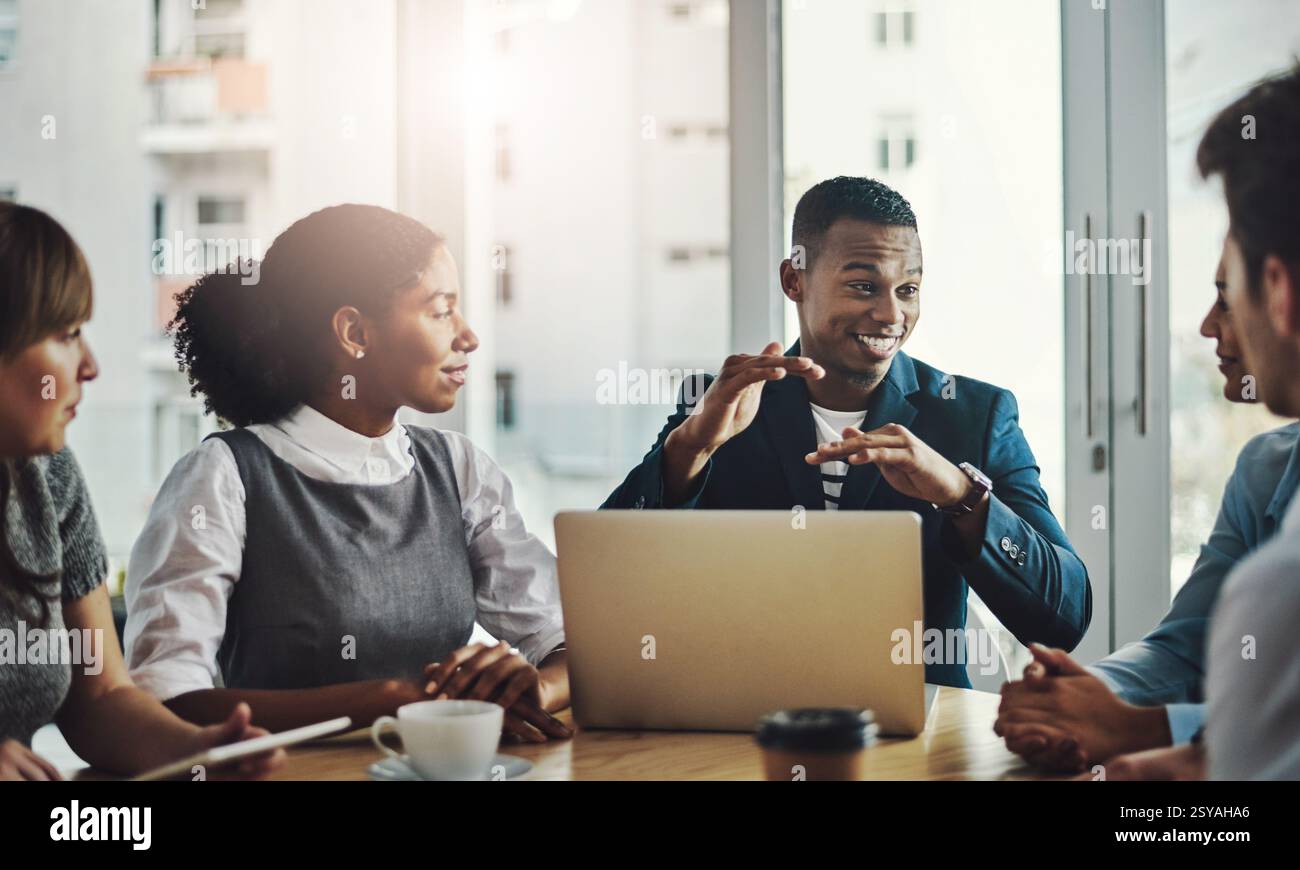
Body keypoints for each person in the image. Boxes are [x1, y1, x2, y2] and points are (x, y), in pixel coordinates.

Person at [603, 176, 1091, 687]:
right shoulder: (720, 406)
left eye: (908, 290)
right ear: (795, 280)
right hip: (745, 730)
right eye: (864, 286)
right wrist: (689, 448)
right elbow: (606, 585)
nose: (891, 315)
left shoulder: (974, 415)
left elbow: (1066, 617)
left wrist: (961, 495)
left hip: (922, 743)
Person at [124, 204, 571, 743]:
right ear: (354, 331)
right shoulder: (224, 477)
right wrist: (387, 701)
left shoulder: (459, 470)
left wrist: (532, 689)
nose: (468, 336)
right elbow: (164, 699)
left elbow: (569, 642)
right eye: (440, 311)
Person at [0, 201, 283, 780]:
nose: (90, 366)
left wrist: (201, 751)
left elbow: (99, 699)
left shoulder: (48, 478)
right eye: (66, 333)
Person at [995, 254, 1299, 771]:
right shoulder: (1264, 469)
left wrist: (1141, 729)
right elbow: (1183, 649)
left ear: (1281, 294)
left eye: (1226, 299)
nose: (1206, 325)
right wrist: (1083, 696)